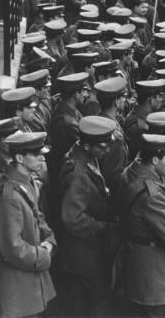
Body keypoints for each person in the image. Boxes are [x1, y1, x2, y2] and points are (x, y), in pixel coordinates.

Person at [0, 132, 57, 318]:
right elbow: (12, 247)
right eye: (35, 153)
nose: (42, 157)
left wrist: (48, 237)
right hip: (15, 290)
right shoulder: (8, 196)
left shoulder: (26, 182)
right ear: (19, 158)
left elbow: (37, 216)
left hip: (26, 284)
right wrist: (43, 255)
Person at [115, 134, 165, 317]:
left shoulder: (131, 171)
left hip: (136, 261)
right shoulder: (151, 194)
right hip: (154, 273)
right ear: (155, 159)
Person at [56, 116, 119, 316]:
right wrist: (105, 228)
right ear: (86, 144)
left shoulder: (85, 156)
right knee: (94, 302)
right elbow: (72, 219)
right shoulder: (79, 175)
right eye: (102, 146)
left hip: (86, 250)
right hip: (82, 254)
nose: (107, 150)